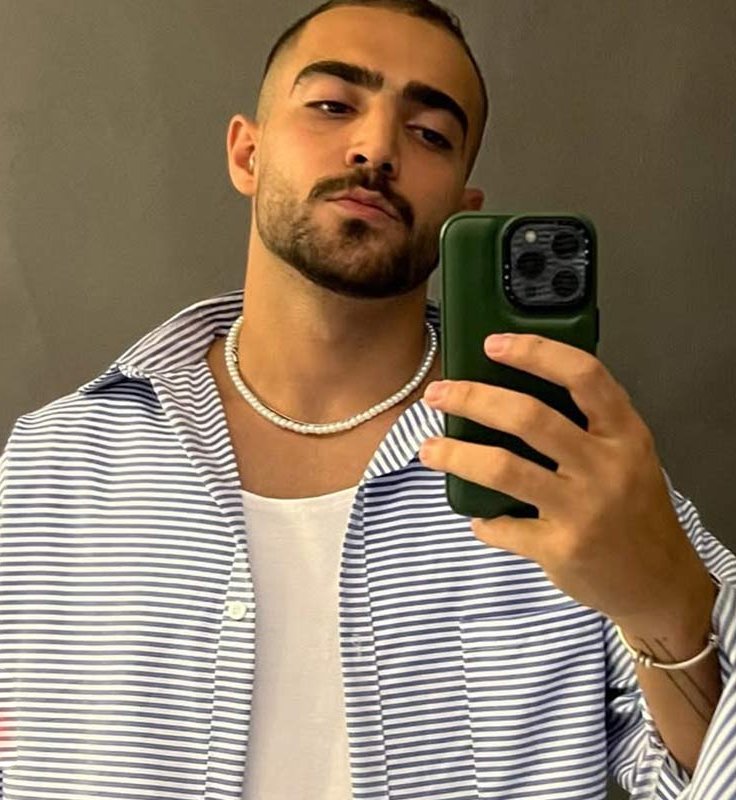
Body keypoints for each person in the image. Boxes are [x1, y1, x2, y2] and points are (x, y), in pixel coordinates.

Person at [1, 1, 735, 798]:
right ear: (247, 154)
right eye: (332, 105)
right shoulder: (55, 462)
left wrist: (667, 608)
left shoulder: (563, 461)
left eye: (430, 134)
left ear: (462, 210)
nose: (376, 148)